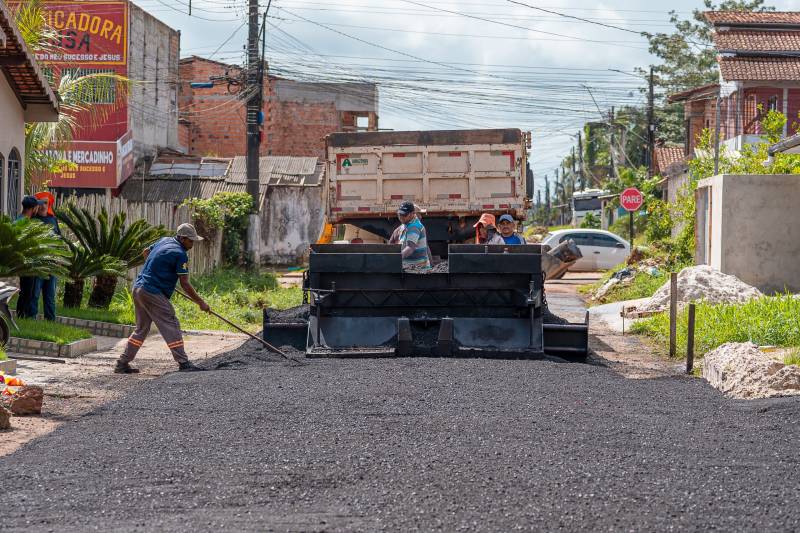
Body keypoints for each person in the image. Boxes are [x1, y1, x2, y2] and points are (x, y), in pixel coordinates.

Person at [115, 223, 210, 374]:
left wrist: (155, 271)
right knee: (171, 323)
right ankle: (183, 362)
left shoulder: (164, 240)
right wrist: (201, 303)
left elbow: (146, 252)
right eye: (190, 241)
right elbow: (185, 284)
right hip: (152, 292)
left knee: (141, 329)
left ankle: (122, 363)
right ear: (182, 238)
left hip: (139, 288)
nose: (192, 244)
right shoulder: (180, 254)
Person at [30, 192, 61, 321]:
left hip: (52, 264)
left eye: (45, 203)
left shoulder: (53, 220)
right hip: (37, 263)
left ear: (49, 204)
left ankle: (51, 320)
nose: (43, 206)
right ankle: (31, 318)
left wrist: (59, 258)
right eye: (41, 203)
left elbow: (59, 240)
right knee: (34, 294)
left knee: (50, 295)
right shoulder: (32, 220)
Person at [15, 196, 46, 319]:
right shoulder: (24, 223)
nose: (38, 208)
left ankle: (22, 316)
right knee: (27, 292)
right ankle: (22, 317)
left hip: (24, 262)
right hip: (26, 263)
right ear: (33, 208)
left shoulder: (19, 220)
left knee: (26, 292)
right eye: (37, 206)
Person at [396, 201, 431, 271]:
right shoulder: (405, 225)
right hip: (410, 268)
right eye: (399, 214)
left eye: (404, 215)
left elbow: (410, 247)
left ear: (412, 214)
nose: (401, 217)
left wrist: (395, 258)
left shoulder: (414, 227)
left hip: (417, 270)